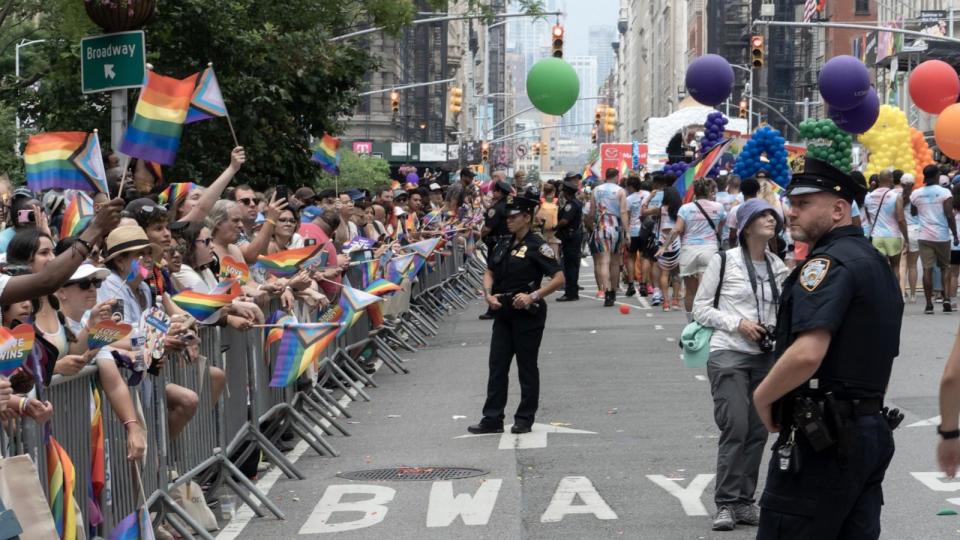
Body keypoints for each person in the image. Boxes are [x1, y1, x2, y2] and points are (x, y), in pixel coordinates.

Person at [752, 158, 902, 539]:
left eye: (804, 203)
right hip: (866, 428)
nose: (791, 211)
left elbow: (807, 354)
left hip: (824, 439)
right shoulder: (873, 261)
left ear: (838, 209)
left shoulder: (828, 264)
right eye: (792, 202)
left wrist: (762, 397)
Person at [693, 199, 787, 531]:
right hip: (728, 353)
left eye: (772, 216)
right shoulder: (724, 261)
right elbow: (700, 309)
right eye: (762, 216)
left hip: (765, 357)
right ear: (746, 227)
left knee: (759, 430)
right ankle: (726, 503)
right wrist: (739, 324)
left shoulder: (778, 266)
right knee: (736, 426)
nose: (770, 220)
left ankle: (746, 501)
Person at [468, 190, 564, 435]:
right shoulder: (502, 242)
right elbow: (489, 271)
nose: (508, 221)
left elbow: (559, 278)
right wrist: (488, 294)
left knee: (526, 367)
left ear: (526, 217)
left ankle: (524, 418)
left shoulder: (537, 246)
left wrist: (533, 296)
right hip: (502, 310)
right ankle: (492, 418)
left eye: (512, 217)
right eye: (507, 217)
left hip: (527, 312)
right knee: (497, 366)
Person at [661, 178, 726, 321]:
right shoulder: (718, 207)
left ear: (695, 192)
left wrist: (664, 247)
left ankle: (691, 322)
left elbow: (676, 229)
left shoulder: (685, 208)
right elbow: (721, 225)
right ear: (710, 191)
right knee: (707, 290)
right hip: (709, 250)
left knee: (690, 291)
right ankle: (705, 320)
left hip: (689, 251)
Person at [910, 164, 959, 314]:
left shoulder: (916, 194)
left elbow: (913, 212)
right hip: (942, 235)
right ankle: (946, 299)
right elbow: (949, 215)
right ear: (937, 175)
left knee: (927, 269)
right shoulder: (944, 192)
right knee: (945, 267)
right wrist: (955, 234)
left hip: (924, 235)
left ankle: (929, 304)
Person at [587, 168, 629, 307]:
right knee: (615, 261)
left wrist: (592, 227)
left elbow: (591, 212)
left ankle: (607, 291)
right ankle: (614, 291)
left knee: (604, 261)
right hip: (616, 227)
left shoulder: (596, 190)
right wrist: (627, 231)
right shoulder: (621, 191)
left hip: (601, 226)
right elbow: (623, 212)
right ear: (617, 176)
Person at [863, 169, 909, 284]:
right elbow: (901, 219)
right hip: (893, 236)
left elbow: (868, 218)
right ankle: (896, 296)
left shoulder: (869, 197)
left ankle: (881, 297)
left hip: (876, 237)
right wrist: (907, 238)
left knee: (879, 269)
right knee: (895, 268)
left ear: (879, 180)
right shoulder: (895, 196)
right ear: (891, 179)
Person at [479, 181, 513, 319]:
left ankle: (493, 309)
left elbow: (487, 228)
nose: (493, 193)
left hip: (498, 245)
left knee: (494, 275)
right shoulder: (510, 206)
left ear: (499, 192)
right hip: (508, 243)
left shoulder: (496, 208)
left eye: (494, 191)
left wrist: (480, 236)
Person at [555, 174, 584, 302]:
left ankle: (570, 292)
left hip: (571, 237)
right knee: (572, 264)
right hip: (573, 236)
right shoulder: (574, 203)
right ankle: (572, 290)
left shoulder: (571, 205)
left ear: (567, 192)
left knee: (570, 265)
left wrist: (553, 227)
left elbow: (564, 221)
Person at [624, 176, 651, 297]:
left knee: (631, 258)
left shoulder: (629, 199)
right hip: (646, 229)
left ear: (630, 186)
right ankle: (643, 285)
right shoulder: (648, 194)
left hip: (634, 231)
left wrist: (626, 233)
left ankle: (630, 285)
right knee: (645, 257)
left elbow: (627, 217)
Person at [901, 173, 921, 302]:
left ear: (902, 184)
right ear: (913, 184)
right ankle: (913, 295)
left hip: (902, 231)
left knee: (902, 265)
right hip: (916, 230)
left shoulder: (898, 197)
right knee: (913, 265)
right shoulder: (917, 196)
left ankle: (902, 293)